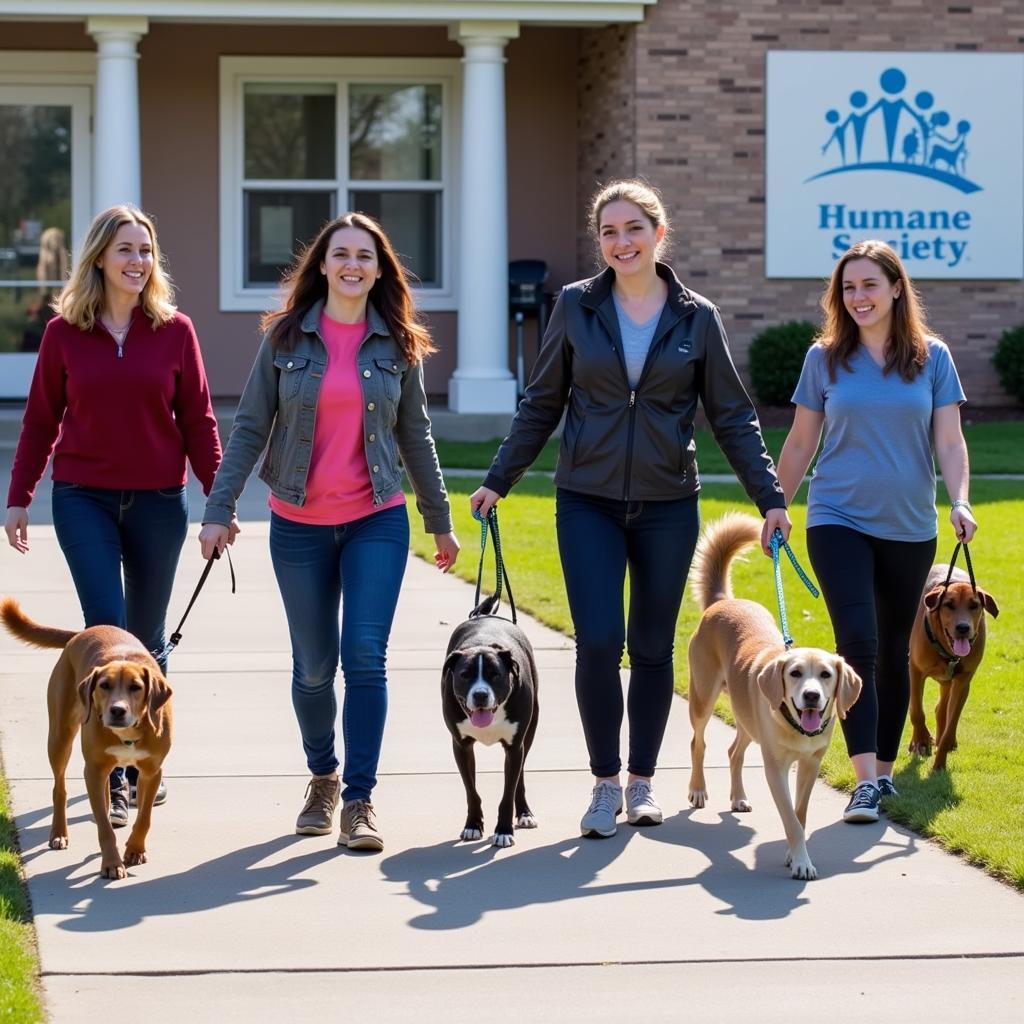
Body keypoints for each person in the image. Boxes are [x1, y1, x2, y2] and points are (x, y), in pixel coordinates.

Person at [470, 180, 790, 838]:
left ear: (658, 234)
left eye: (634, 229)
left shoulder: (696, 318)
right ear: (601, 242)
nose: (622, 242)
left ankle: (642, 782)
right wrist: (500, 478)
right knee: (597, 642)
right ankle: (604, 783)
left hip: (669, 501)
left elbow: (732, 417)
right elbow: (541, 403)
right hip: (586, 498)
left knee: (650, 647)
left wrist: (771, 499)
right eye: (610, 232)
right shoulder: (576, 308)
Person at [198, 212, 459, 853]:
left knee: (365, 658)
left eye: (365, 256)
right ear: (322, 264)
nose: (352, 265)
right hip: (299, 525)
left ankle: (359, 800)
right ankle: (322, 774)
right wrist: (217, 507)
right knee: (314, 669)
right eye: (341, 254)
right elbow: (252, 426)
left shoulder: (398, 343)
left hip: (377, 517)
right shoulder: (286, 339)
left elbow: (416, 434)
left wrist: (439, 519)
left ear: (379, 269)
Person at [5, 204, 226, 827]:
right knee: (108, 630)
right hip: (83, 499)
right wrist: (20, 495)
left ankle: (140, 761)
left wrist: (220, 500)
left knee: (148, 643)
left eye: (146, 250)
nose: (138, 261)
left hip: (159, 502)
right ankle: (118, 777)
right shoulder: (63, 334)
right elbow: (42, 419)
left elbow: (200, 423)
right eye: (126, 249)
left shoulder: (176, 331)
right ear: (99, 257)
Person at [775, 239, 976, 825]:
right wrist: (777, 505)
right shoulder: (824, 359)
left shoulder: (932, 358)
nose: (857, 297)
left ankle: (885, 774)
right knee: (857, 644)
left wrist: (960, 498)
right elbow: (800, 441)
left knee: (892, 652)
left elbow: (949, 440)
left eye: (869, 285)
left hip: (911, 527)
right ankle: (865, 780)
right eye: (848, 287)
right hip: (837, 517)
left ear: (895, 289)